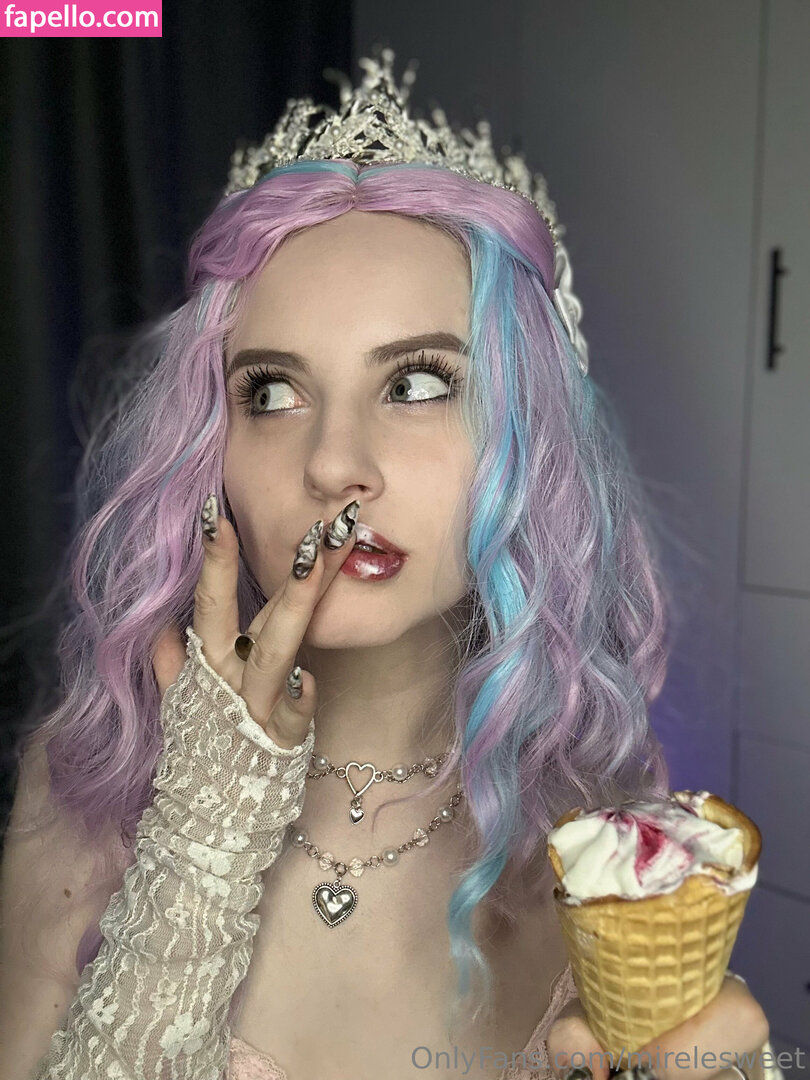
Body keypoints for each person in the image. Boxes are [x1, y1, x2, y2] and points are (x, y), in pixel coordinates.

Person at [0, 47, 778, 1080]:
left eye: (416, 383)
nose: (333, 464)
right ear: (205, 447)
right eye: (272, 393)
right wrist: (202, 829)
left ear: (527, 437)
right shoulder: (87, 784)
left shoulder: (607, 826)